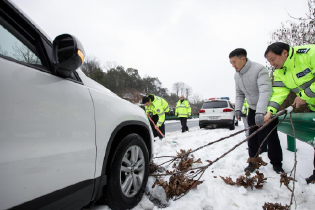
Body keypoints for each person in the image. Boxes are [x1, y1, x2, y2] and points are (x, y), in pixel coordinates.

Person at [264, 42, 315, 183]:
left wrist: (304, 96)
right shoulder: (279, 71)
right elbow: (279, 93)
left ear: (285, 53)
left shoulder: (310, 53)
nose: (272, 63)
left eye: (273, 59)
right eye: (269, 61)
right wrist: (270, 111)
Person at [230, 48, 284, 174]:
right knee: (252, 137)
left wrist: (261, 112)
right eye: (231, 63)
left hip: (266, 109)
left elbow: (265, 91)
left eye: (234, 62)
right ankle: (252, 162)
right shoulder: (236, 75)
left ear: (243, 59)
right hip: (252, 109)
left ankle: (276, 164)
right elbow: (239, 94)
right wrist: (237, 109)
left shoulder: (259, 69)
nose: (233, 65)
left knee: (271, 136)